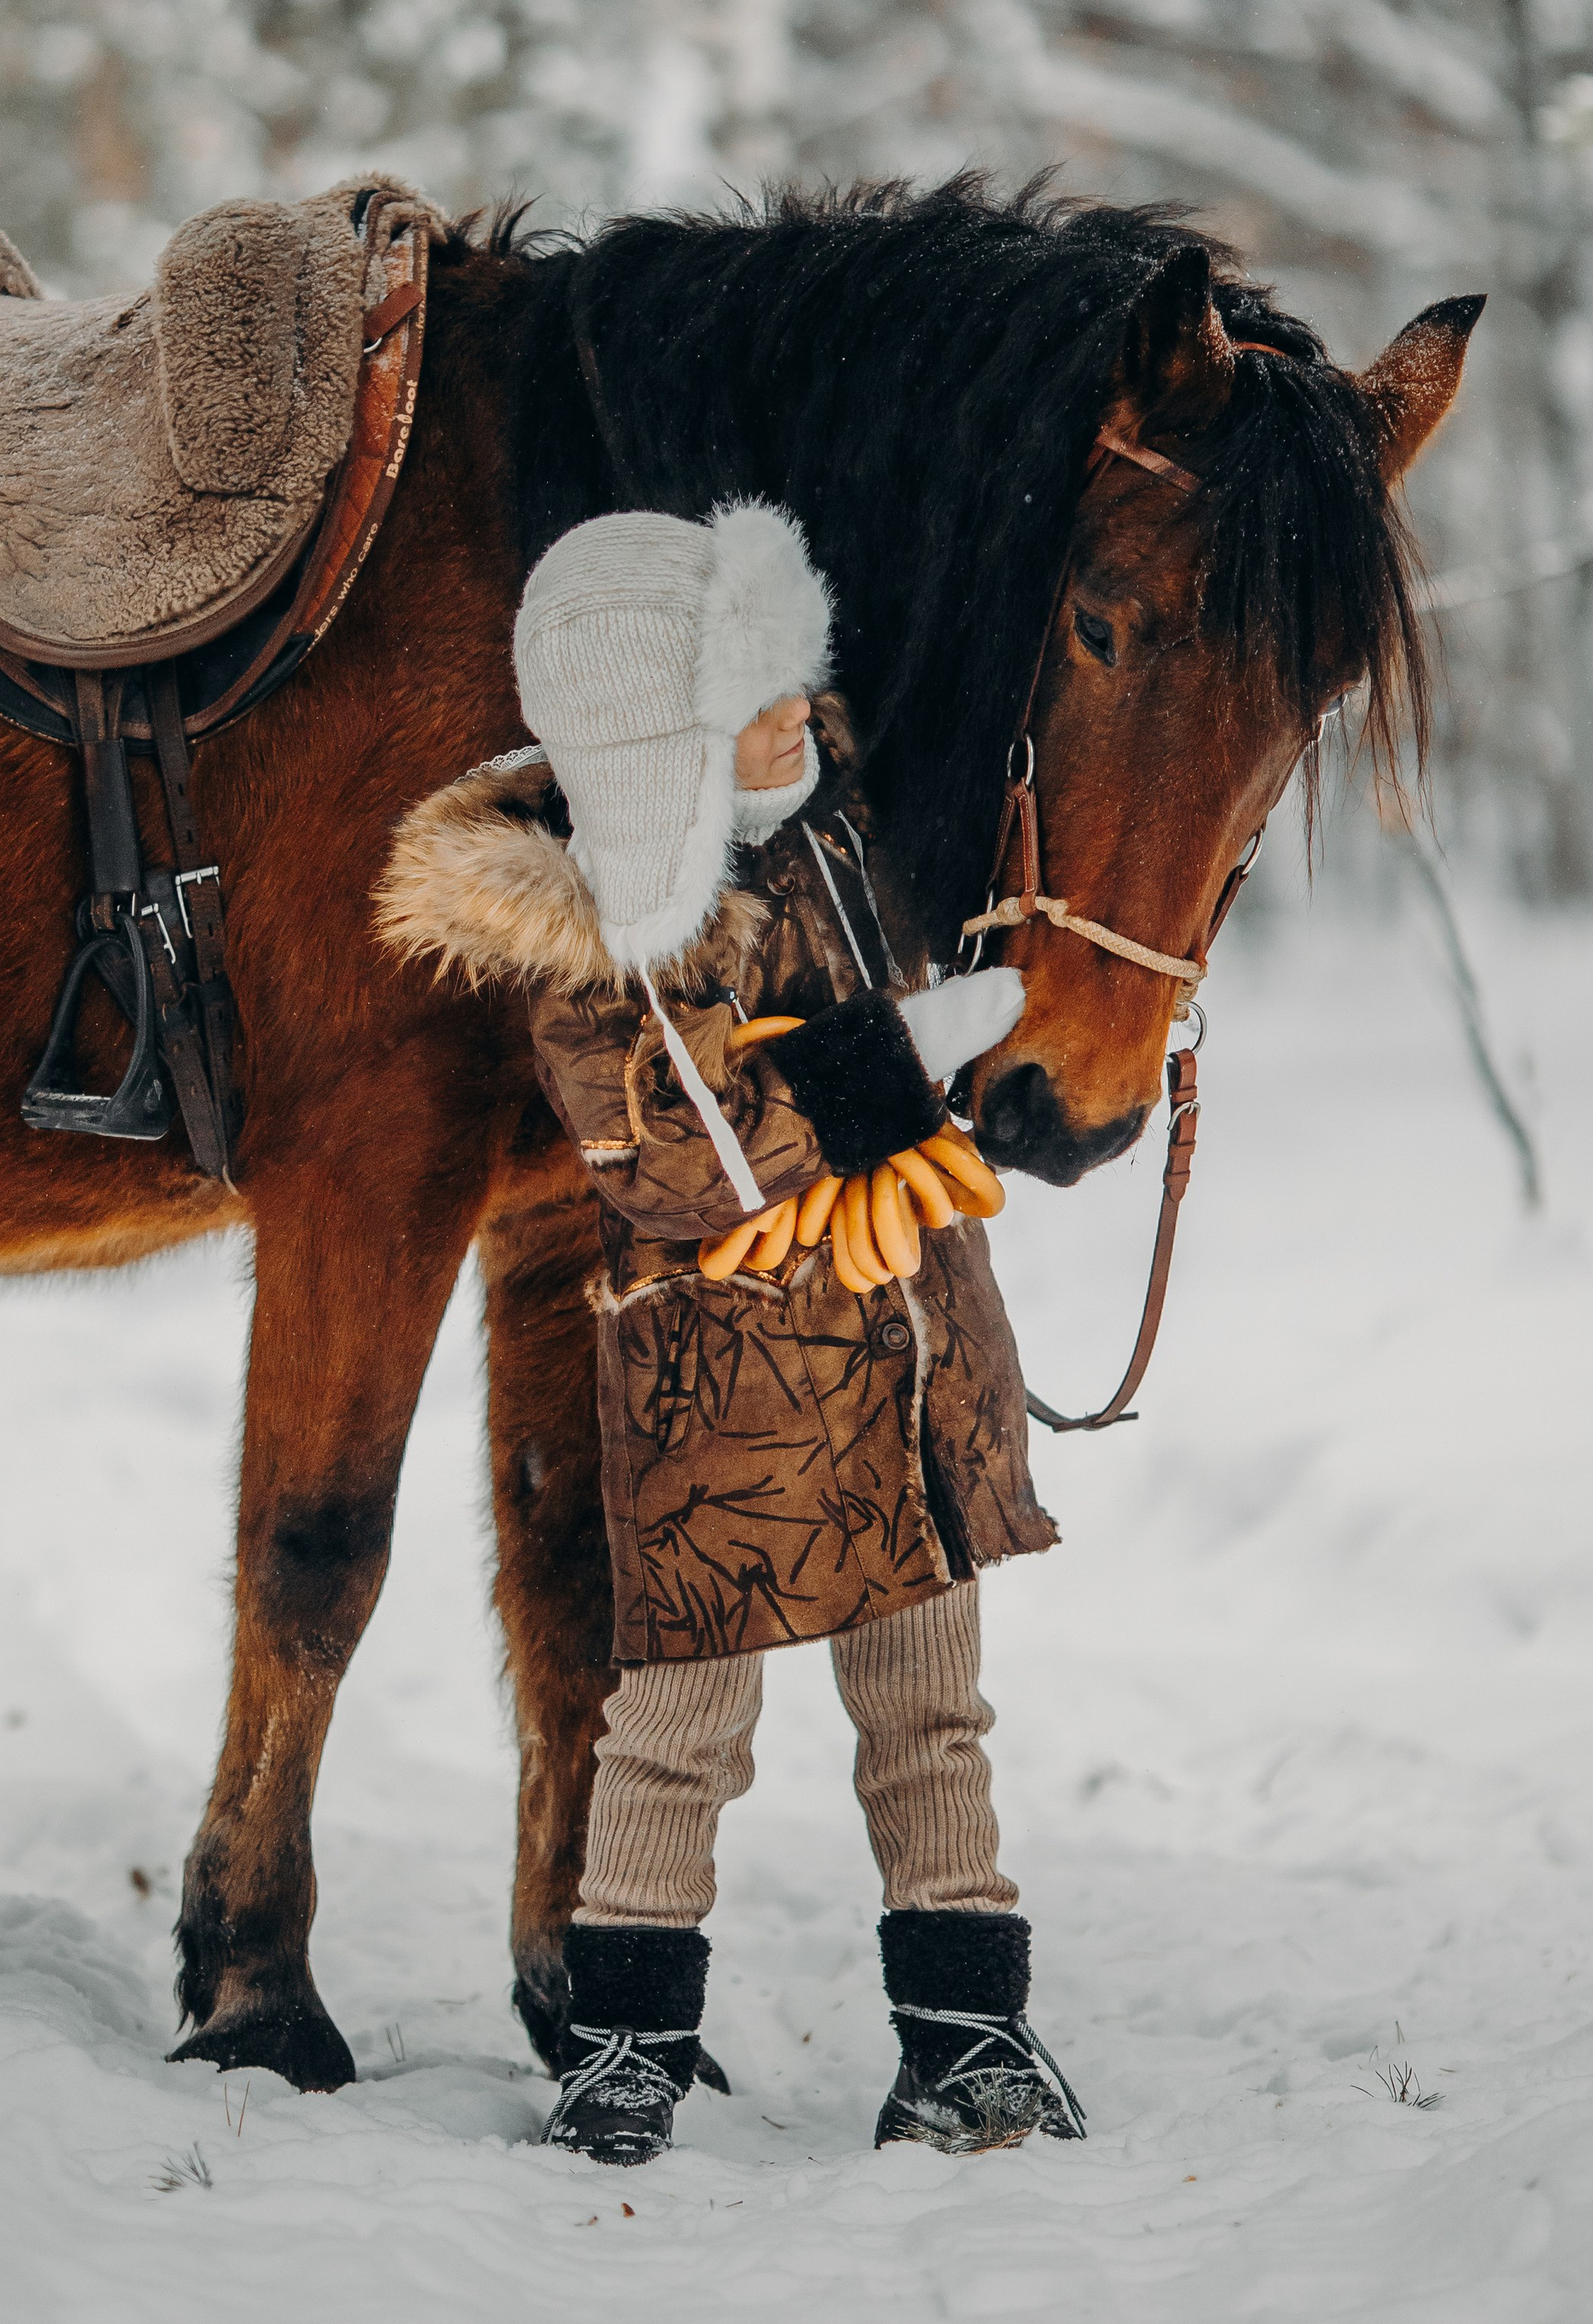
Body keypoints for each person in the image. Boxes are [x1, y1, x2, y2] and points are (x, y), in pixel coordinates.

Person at [378, 501, 1082, 2166]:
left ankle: (964, 2034)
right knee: (676, 1733)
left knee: (929, 1716)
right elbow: (685, 1153)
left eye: (792, 683)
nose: (793, 716)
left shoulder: (837, 819)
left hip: (901, 1363)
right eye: (749, 699)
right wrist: (894, 1060)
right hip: (725, 1408)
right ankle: (623, 2041)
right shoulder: (601, 940)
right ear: (657, 738)